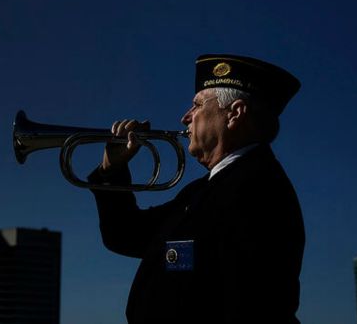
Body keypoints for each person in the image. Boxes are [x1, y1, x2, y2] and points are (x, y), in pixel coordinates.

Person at [88, 53, 304, 324]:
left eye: (197, 104)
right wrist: (112, 170)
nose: (185, 117)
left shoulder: (258, 191)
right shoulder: (207, 189)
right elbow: (125, 235)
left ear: (234, 113)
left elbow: (248, 306)